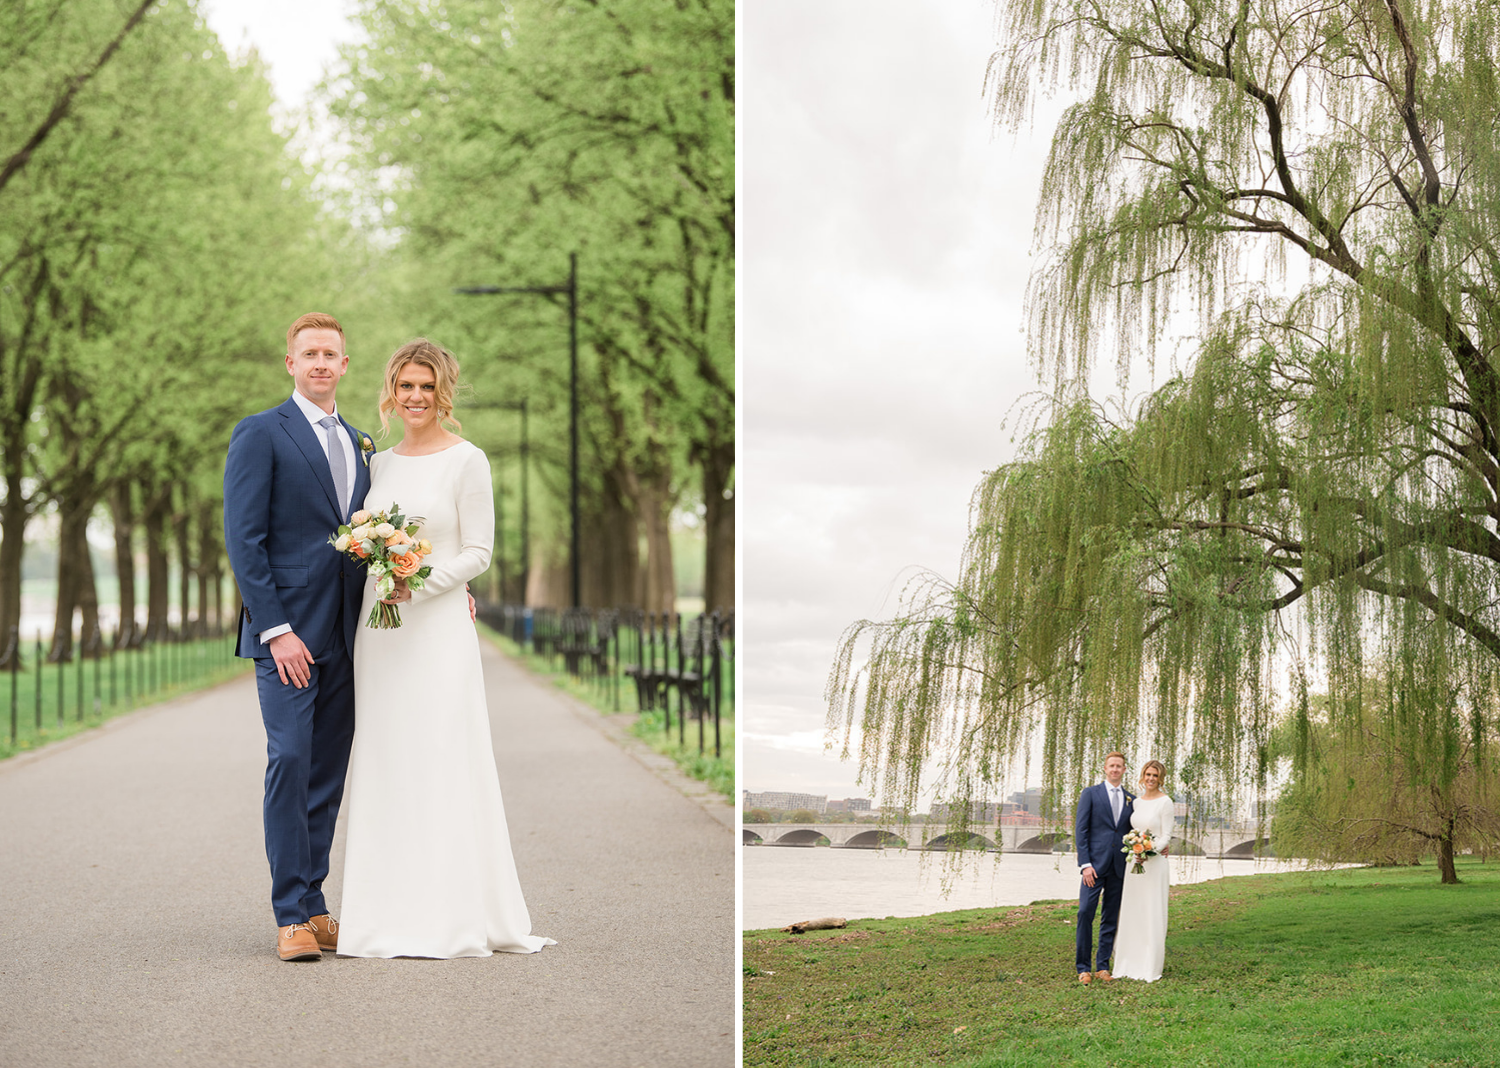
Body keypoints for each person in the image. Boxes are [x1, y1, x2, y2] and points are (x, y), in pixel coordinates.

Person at [336, 338, 555, 958]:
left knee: (440, 756)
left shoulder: (468, 460)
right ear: (391, 390)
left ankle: (450, 914)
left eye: (427, 387)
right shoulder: (376, 464)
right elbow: (361, 540)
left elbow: (478, 551)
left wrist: (418, 584)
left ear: (444, 393)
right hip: (379, 636)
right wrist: (380, 571)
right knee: (386, 760)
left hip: (434, 633)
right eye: (406, 386)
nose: (415, 397)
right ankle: (381, 916)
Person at [224, 313, 371, 961]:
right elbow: (245, 541)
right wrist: (276, 629)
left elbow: (376, 540)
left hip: (347, 637)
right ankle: (289, 914)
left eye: (330, 354)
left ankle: (315, 902)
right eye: (308, 352)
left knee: (327, 774)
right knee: (289, 761)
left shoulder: (362, 443)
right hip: (286, 638)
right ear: (290, 363)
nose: (319, 362)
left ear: (344, 365)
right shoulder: (260, 434)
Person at [1074, 751, 1134, 983]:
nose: (1115, 769)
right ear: (1105, 768)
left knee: (1110, 917)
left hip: (1119, 867)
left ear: (1124, 769)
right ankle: (1083, 968)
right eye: (1111, 765)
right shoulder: (1091, 793)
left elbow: (1134, 830)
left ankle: (1102, 966)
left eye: (1119, 766)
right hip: (1094, 867)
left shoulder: (1131, 799)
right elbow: (1082, 830)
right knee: (1084, 912)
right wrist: (1085, 865)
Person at [1112, 759, 1174, 982]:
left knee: (1151, 910)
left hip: (1153, 863)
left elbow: (1166, 835)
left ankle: (1149, 965)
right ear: (1142, 776)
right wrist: (1135, 849)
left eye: (1155, 776)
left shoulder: (1166, 802)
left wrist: (1150, 850)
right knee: (1133, 910)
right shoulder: (1136, 803)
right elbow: (1133, 830)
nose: (1150, 779)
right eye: (1148, 774)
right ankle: (1128, 961)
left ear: (1160, 779)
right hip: (1134, 862)